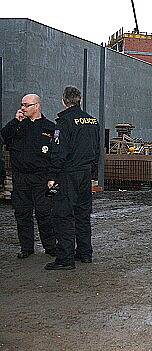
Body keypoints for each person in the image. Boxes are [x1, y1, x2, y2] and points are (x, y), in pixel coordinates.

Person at [45, 86, 100, 271]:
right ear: (80, 100)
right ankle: (85, 253)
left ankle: (65, 258)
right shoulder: (92, 121)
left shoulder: (64, 121)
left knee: (63, 215)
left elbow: (59, 151)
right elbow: (98, 149)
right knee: (83, 214)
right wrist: (92, 172)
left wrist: (52, 175)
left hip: (68, 174)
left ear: (63, 101)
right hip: (85, 173)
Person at [0, 94, 56, 258]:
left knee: (44, 213)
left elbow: (56, 155)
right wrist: (15, 121)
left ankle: (50, 247)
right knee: (22, 214)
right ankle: (26, 248)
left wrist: (53, 177)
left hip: (42, 179)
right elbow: (3, 137)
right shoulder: (17, 125)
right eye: (22, 105)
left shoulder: (50, 127)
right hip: (20, 178)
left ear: (37, 106)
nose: (22, 108)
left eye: (26, 105)